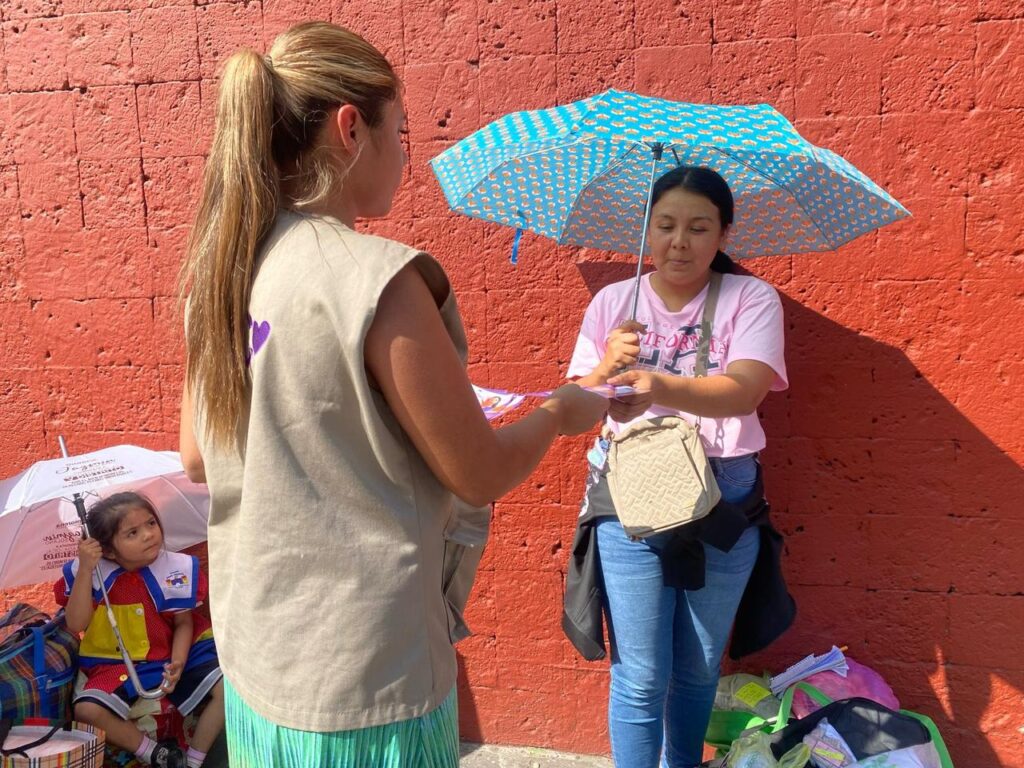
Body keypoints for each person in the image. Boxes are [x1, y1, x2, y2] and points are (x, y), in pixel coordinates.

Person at [175, 21, 608, 768]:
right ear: (351, 128)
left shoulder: (223, 269)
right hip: (365, 677)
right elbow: (477, 472)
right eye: (401, 131)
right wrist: (561, 413)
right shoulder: (380, 278)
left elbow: (197, 457)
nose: (406, 153)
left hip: (260, 661)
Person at [567, 166, 792, 768]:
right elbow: (576, 405)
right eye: (664, 225)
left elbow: (745, 391)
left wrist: (658, 383)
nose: (679, 242)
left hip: (726, 498)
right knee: (641, 674)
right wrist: (605, 368)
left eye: (698, 227)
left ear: (724, 234)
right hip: (632, 495)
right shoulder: (614, 304)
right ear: (647, 230)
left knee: (696, 669)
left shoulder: (751, 298)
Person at [56, 492, 225, 768]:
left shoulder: (174, 569)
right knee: (86, 709)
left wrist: (179, 663)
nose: (148, 535)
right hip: (118, 661)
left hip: (175, 650)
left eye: (151, 523)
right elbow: (76, 624)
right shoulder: (95, 573)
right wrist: (86, 570)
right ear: (108, 550)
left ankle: (194, 759)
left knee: (229, 688)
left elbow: (183, 623)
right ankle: (156, 754)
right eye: (132, 533)